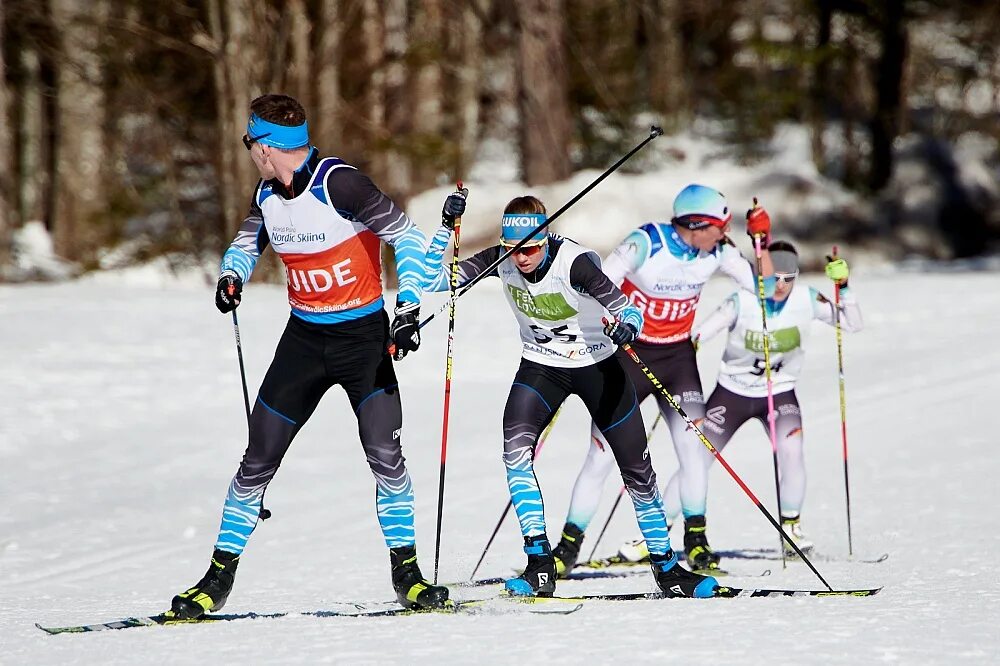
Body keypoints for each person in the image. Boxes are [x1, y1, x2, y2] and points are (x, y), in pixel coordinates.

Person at [171, 94, 466, 618]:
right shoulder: (266, 191)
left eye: (249, 142)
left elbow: (411, 241)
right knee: (257, 458)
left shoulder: (341, 183)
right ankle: (215, 580)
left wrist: (408, 306)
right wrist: (232, 273)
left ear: (267, 147)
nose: (249, 152)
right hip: (304, 343)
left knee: (386, 457)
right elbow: (246, 240)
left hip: (363, 340)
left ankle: (409, 575)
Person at [422, 194, 717, 598]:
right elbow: (433, 280)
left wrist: (628, 326)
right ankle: (539, 566)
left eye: (528, 249)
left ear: (545, 239)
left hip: (598, 367)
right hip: (542, 367)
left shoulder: (574, 263)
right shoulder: (503, 258)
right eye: (513, 250)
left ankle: (668, 570)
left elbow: (626, 307)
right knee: (514, 454)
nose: (520, 259)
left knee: (636, 469)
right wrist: (445, 227)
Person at [548, 184, 773, 575]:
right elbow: (600, 282)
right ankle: (566, 549)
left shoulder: (718, 251)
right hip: (630, 357)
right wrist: (608, 320)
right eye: (719, 225)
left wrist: (761, 242)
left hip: (677, 359)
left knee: (694, 452)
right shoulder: (646, 243)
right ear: (697, 224)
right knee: (601, 457)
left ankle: (697, 543)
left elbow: (764, 289)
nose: (724, 233)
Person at [658, 242, 862, 555]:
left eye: (789, 278)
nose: (781, 286)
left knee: (792, 452)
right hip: (732, 394)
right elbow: (697, 336)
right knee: (696, 461)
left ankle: (791, 527)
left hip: (779, 394)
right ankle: (658, 530)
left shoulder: (806, 299)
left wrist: (843, 287)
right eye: (774, 277)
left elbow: (852, 324)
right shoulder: (742, 300)